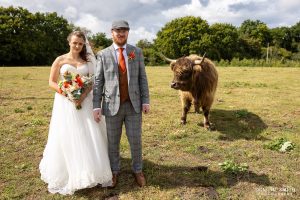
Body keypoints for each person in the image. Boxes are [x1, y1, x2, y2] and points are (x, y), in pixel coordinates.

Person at [39, 30, 112, 195]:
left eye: (80, 43)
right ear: (69, 42)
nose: (78, 46)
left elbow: (93, 81)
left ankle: (92, 170)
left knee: (88, 133)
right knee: (68, 134)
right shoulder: (60, 60)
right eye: (75, 43)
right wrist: (69, 94)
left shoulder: (87, 60)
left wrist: (82, 95)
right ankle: (70, 172)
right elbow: (51, 82)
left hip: (85, 101)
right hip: (65, 103)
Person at [93, 20, 150, 188]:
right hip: (111, 106)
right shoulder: (103, 54)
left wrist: (146, 100)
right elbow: (98, 82)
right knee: (113, 141)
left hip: (134, 105)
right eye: (118, 31)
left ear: (128, 33)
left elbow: (142, 79)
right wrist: (97, 105)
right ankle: (114, 171)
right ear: (112, 33)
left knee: (135, 140)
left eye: (124, 31)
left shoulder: (136, 52)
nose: (121, 33)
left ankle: (138, 170)